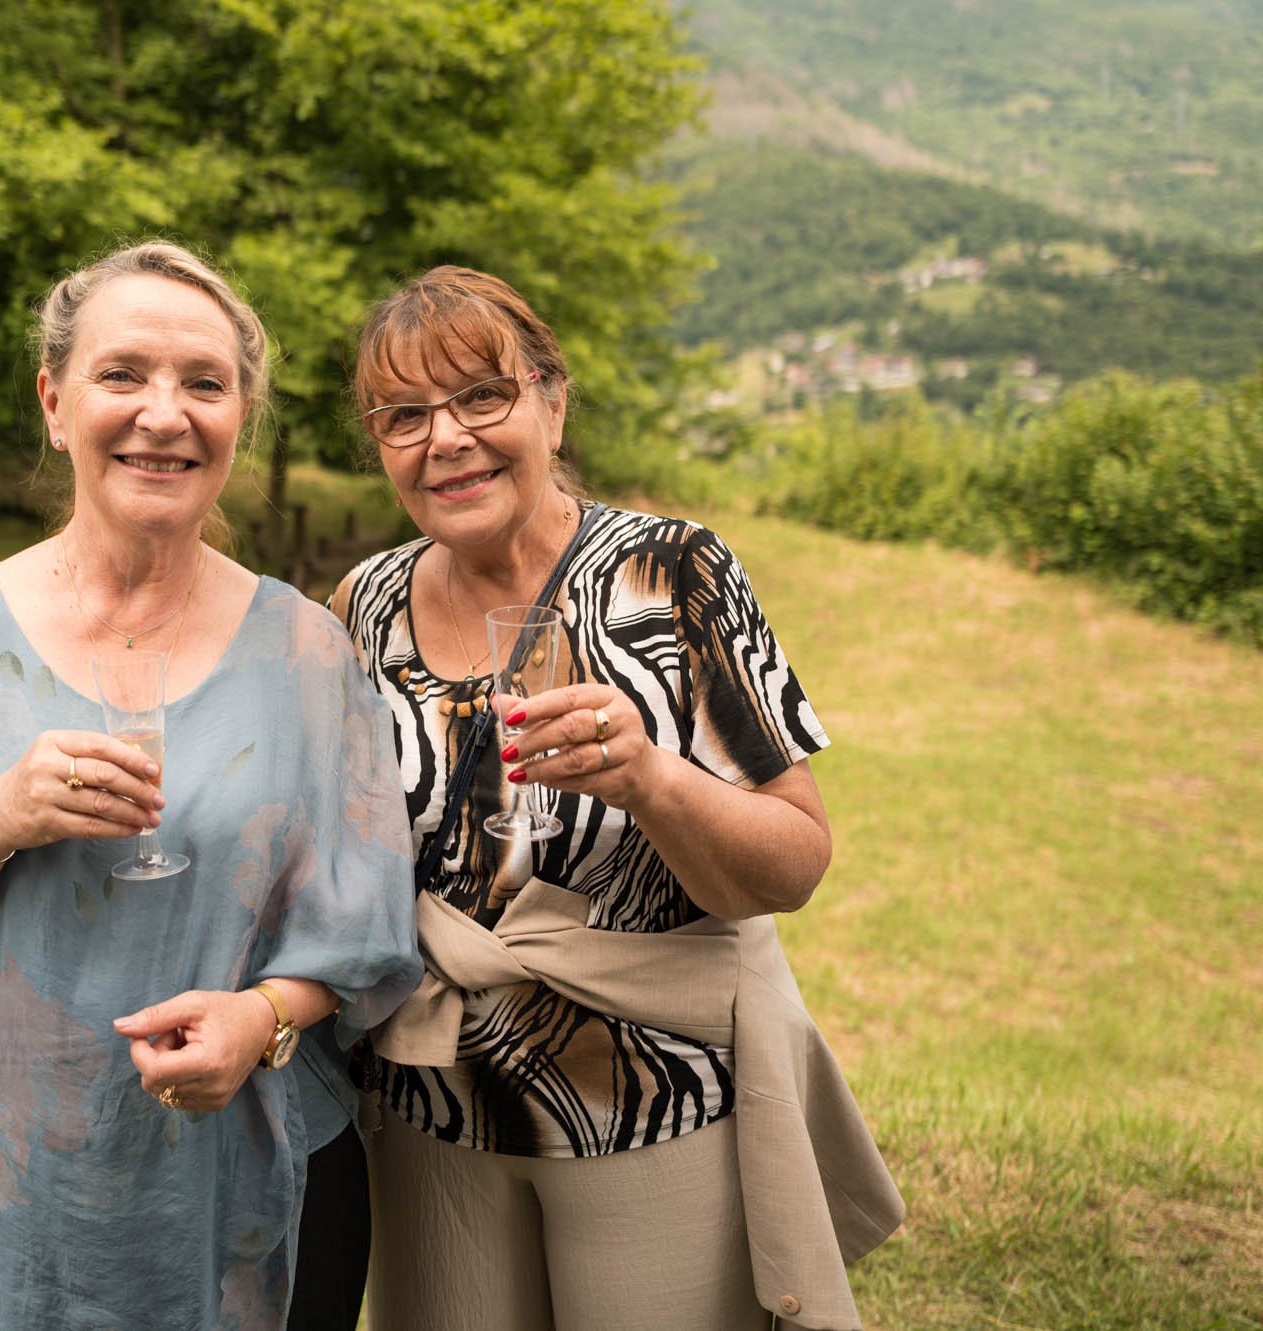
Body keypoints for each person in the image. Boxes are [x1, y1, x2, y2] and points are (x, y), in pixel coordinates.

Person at [0, 241, 422, 1330]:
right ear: (53, 402)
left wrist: (261, 1016)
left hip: (255, 1185)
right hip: (11, 1195)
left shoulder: (308, 654)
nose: (163, 415)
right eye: (122, 373)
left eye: (204, 383)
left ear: (240, 420)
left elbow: (367, 935)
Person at [330, 266, 904, 1331]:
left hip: (645, 1103)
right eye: (402, 415)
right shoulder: (363, 604)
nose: (442, 438)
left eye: (480, 397)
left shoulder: (668, 573)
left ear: (552, 397)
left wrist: (651, 776)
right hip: (427, 1111)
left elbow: (794, 860)